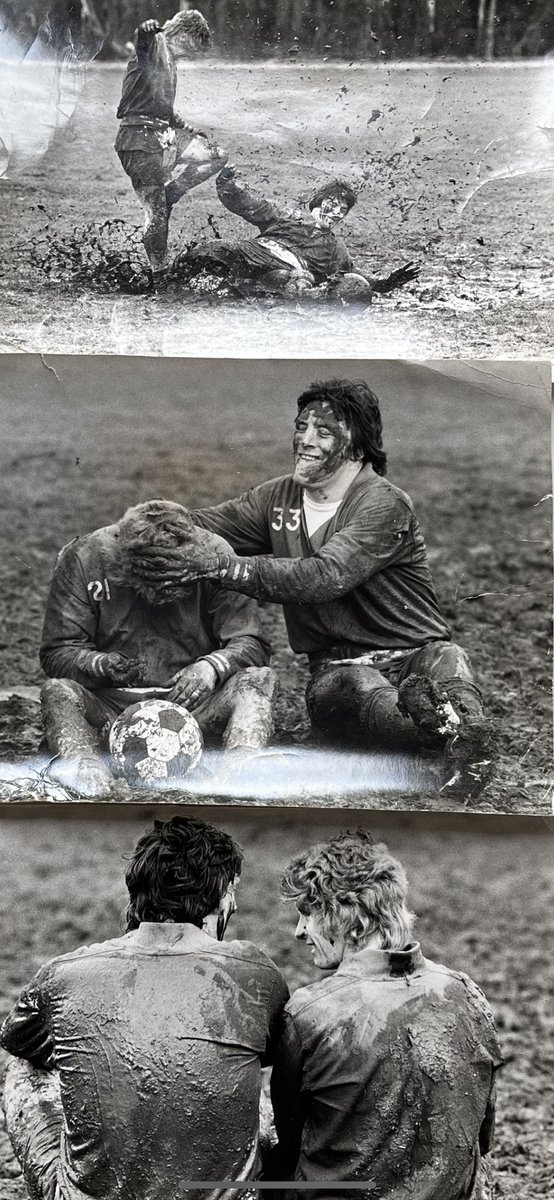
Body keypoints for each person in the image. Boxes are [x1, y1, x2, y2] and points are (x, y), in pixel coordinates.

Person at [130, 380, 493, 796]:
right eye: (301, 427)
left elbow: (323, 577)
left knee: (448, 657)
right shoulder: (277, 498)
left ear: (356, 446)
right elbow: (201, 525)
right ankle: (445, 740)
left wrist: (222, 567)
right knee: (358, 684)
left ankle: (472, 742)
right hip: (338, 673)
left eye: (323, 432)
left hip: (416, 655)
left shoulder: (384, 503)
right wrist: (136, 530)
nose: (304, 440)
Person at [1, 815, 290, 1200]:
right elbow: (274, 1053)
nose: (234, 904)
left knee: (21, 1069)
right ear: (219, 895)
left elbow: (17, 1041)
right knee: (250, 1089)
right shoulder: (255, 972)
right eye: (232, 892)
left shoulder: (64, 973)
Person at [267, 829, 503, 1197]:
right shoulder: (467, 995)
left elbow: (292, 1144)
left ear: (352, 920)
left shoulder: (309, 1014)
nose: (299, 931)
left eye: (308, 914)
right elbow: (481, 1137)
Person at [39, 499, 277, 797]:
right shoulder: (85, 556)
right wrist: (100, 665)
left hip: (195, 708)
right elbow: (57, 651)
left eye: (172, 576)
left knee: (258, 680)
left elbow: (250, 641)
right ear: (123, 560)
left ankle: (239, 770)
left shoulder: (216, 555)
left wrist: (210, 668)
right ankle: (86, 772)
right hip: (110, 709)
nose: (161, 589)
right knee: (58, 692)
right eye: (150, 577)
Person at [173, 165, 418, 299]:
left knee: (297, 280)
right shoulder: (286, 214)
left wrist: (385, 283)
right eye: (332, 205)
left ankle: (302, 299)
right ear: (319, 201)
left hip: (284, 272)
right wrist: (225, 184)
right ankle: (165, 283)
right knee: (209, 250)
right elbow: (246, 204)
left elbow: (354, 277)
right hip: (253, 252)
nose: (335, 213)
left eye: (341, 211)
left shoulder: (335, 248)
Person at [114, 10, 227, 281]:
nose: (188, 56)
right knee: (157, 214)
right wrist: (144, 30)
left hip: (162, 135)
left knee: (216, 156)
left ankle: (172, 192)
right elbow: (141, 43)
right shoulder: (155, 44)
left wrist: (184, 126)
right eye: (191, 50)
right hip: (138, 141)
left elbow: (160, 105)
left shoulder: (170, 59)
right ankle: (160, 277)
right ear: (186, 36)